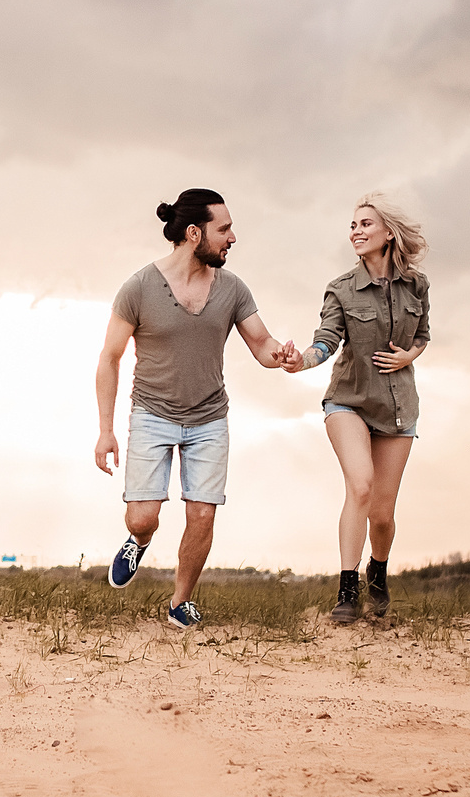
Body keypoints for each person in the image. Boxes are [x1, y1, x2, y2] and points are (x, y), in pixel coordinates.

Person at [94, 188, 301, 629]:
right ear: (193, 233)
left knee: (203, 514)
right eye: (223, 229)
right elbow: (109, 358)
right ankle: (139, 540)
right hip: (152, 414)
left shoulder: (232, 288)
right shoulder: (138, 288)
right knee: (142, 517)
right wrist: (105, 430)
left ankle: (179, 602)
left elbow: (261, 342)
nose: (232, 238)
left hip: (209, 419)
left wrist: (280, 356)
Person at [285, 195, 430, 624]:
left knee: (382, 515)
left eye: (365, 224)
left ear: (389, 233)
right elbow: (326, 340)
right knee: (361, 486)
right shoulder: (341, 288)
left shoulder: (416, 285)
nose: (356, 231)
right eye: (353, 225)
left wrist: (409, 357)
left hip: (398, 409)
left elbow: (422, 335)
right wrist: (301, 361)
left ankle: (377, 573)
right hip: (348, 402)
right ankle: (346, 591)